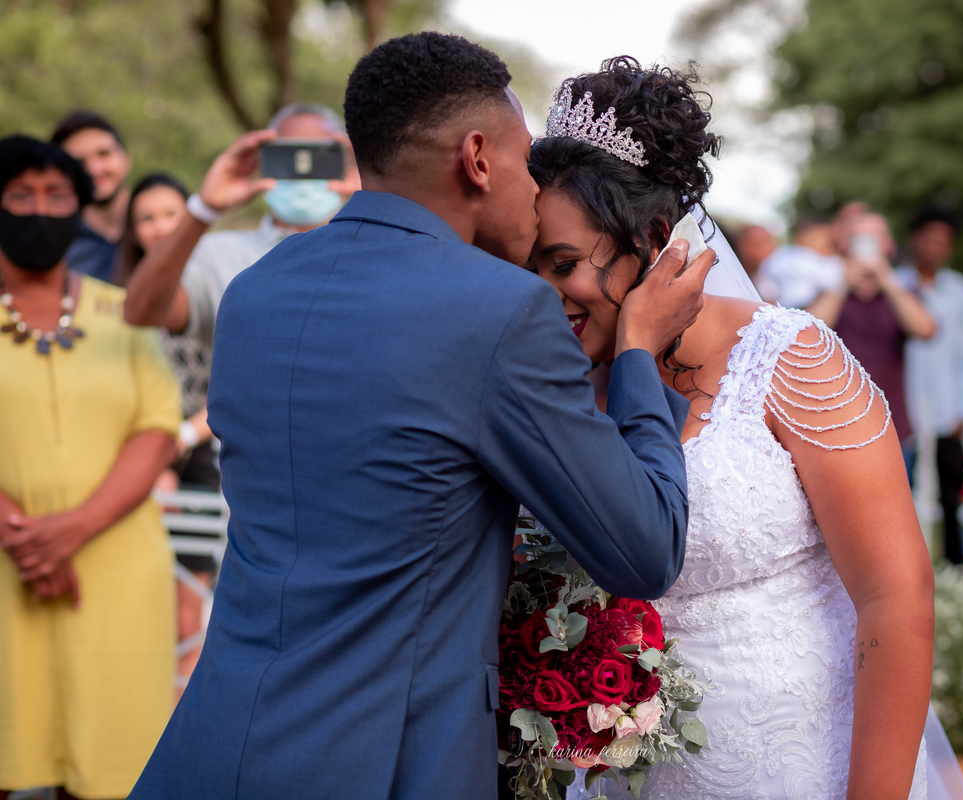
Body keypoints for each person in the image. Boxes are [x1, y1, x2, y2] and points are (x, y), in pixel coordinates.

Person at [129, 33, 712, 800]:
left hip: (213, 740)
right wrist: (637, 352)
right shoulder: (501, 313)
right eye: (524, 161)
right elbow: (644, 550)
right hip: (384, 759)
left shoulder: (256, 291)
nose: (537, 195)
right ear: (477, 158)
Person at [529, 58, 945, 800]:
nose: (547, 294)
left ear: (656, 237)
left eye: (564, 264)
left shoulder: (790, 359)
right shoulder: (554, 388)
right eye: (532, 269)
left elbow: (897, 599)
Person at [0, 135, 180, 800]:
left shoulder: (124, 312)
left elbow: (158, 428)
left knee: (110, 774)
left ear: (82, 209)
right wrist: (27, 541)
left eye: (57, 197)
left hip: (114, 576)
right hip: (6, 572)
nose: (39, 210)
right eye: (20, 196)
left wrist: (69, 532)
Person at [122, 102, 360, 347]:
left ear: (348, 162)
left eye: (320, 157)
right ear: (262, 161)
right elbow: (141, 311)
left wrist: (380, 191)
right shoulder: (217, 255)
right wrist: (203, 208)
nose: (303, 168)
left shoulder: (376, 251)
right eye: (287, 155)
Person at [116, 172, 220, 688]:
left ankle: (177, 729)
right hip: (127, 451)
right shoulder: (119, 301)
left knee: (189, 615)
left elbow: (228, 387)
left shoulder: (215, 285)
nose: (159, 227)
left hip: (198, 449)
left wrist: (174, 445)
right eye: (146, 217)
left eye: (171, 215)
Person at [808, 212, 937, 475]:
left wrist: (887, 280)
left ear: (888, 245)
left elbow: (926, 329)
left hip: (893, 427)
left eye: (874, 238)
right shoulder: (830, 290)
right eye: (860, 239)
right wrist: (844, 281)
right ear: (846, 245)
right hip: (834, 429)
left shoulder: (900, 292)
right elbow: (806, 332)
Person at [896, 207, 963, 565]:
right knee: (904, 494)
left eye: (943, 241)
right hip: (903, 407)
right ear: (914, 239)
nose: (936, 247)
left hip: (947, 408)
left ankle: (954, 566)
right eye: (930, 238)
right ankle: (907, 567)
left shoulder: (961, 291)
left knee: (952, 494)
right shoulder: (894, 285)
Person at [50, 110, 133, 283]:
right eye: (79, 162)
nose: (94, 169)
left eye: (104, 154)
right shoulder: (57, 246)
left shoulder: (167, 224)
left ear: (126, 159)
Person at [754, 214, 843, 308]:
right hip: (793, 307)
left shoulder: (784, 252)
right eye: (823, 236)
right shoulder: (809, 258)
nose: (826, 242)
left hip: (794, 306)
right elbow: (833, 278)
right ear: (803, 236)